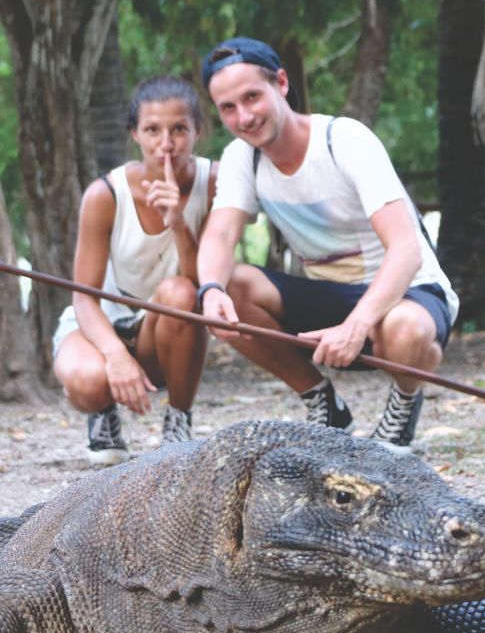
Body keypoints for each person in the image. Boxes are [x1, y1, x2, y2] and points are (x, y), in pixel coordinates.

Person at [195, 37, 459, 453]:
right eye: (228, 108)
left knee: (405, 331)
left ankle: (405, 401)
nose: (244, 116)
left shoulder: (344, 140)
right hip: (330, 297)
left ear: (281, 83)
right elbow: (221, 234)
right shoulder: (240, 158)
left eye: (252, 97)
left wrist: (357, 324)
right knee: (233, 285)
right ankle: (323, 401)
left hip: (408, 290)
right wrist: (209, 290)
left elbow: (406, 250)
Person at [52, 75, 217, 465]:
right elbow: (84, 297)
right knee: (89, 383)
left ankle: (179, 420)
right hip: (101, 323)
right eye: (152, 130)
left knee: (181, 292)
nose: (166, 144)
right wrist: (115, 356)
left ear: (198, 132)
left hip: (164, 328)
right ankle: (102, 414)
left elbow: (204, 282)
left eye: (179, 129)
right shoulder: (105, 194)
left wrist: (178, 222)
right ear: (135, 134)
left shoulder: (214, 183)